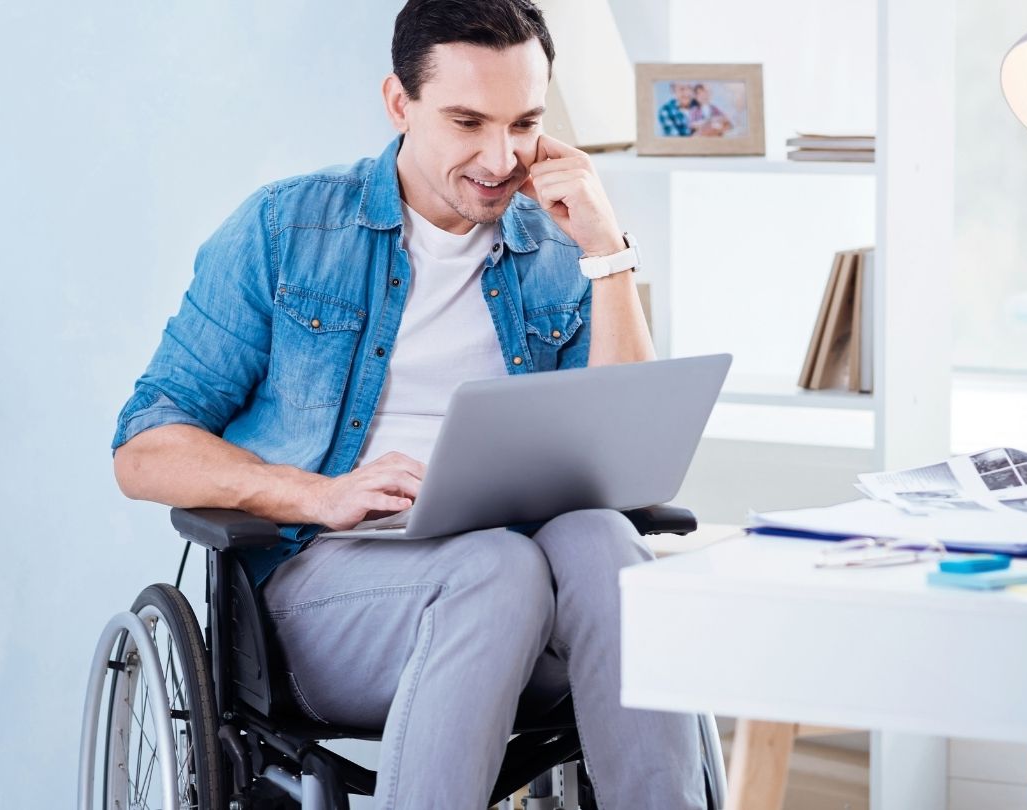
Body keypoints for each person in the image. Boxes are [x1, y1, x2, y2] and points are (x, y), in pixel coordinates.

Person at [109, 1, 705, 807]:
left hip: (534, 606)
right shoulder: (286, 230)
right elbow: (144, 449)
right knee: (498, 568)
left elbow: (626, 461)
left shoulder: (561, 250)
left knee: (602, 538)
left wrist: (607, 251)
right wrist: (317, 494)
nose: (502, 158)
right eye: (468, 121)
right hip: (330, 602)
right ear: (400, 103)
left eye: (525, 122)